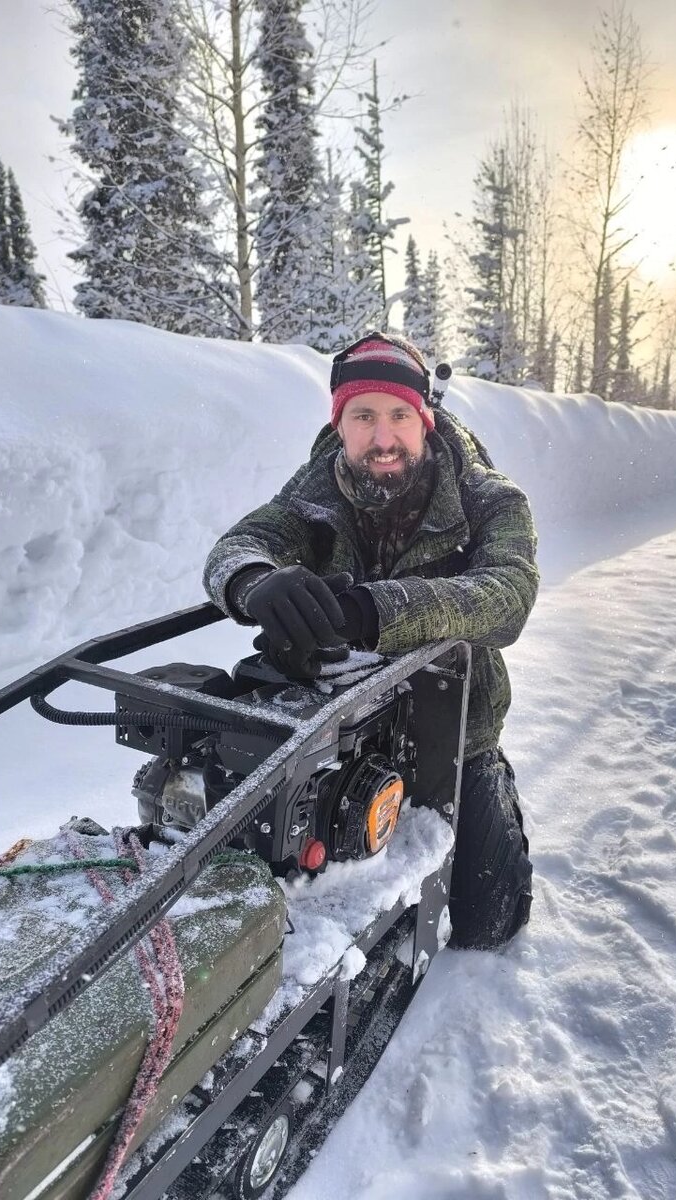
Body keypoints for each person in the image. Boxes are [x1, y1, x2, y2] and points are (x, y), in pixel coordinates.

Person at [202, 332, 538, 949]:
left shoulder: (487, 496)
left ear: (424, 420)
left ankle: (494, 794)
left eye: (398, 416)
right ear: (341, 422)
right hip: (343, 709)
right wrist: (255, 581)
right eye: (363, 416)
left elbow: (508, 596)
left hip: (457, 728)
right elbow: (240, 544)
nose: (382, 438)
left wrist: (370, 609)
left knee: (489, 925)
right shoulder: (317, 488)